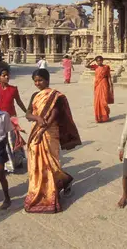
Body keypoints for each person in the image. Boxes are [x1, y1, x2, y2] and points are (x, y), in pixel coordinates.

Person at [24, 69, 82, 213]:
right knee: (36, 163)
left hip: (50, 132)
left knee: (51, 164)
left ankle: (52, 192)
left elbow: (55, 114)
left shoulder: (54, 96)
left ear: (47, 80)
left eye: (40, 80)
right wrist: (37, 118)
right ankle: (43, 189)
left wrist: (43, 129)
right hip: (36, 129)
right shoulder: (34, 95)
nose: (38, 83)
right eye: (35, 81)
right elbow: (27, 114)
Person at [0, 67, 28, 173]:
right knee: (1, 142)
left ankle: (18, 161)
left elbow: (19, 102)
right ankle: (4, 165)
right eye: (4, 75)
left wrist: (27, 112)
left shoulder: (13, 89)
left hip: (11, 118)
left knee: (13, 141)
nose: (7, 77)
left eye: (7, 75)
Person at [85, 56, 114, 123]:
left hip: (104, 84)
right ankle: (99, 118)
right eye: (97, 61)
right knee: (97, 101)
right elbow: (86, 66)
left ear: (102, 60)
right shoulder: (96, 67)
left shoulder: (106, 67)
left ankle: (105, 116)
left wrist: (110, 86)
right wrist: (92, 60)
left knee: (104, 102)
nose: (99, 62)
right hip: (97, 85)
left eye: (100, 60)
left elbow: (109, 77)